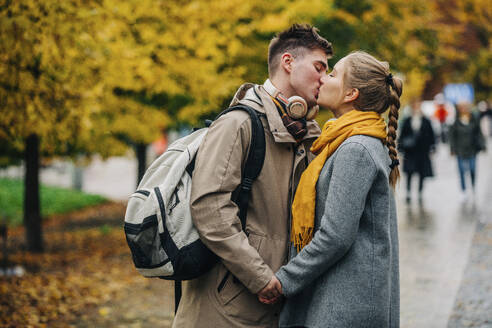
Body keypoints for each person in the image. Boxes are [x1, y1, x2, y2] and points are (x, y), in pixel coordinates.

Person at [171, 24, 333, 328]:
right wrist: (259, 277)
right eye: (319, 67)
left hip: (275, 304)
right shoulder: (238, 124)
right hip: (227, 305)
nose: (325, 79)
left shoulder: (306, 134)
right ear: (288, 62)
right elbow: (210, 209)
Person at [260, 51, 402, 328]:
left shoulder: (356, 149)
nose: (323, 79)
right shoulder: (350, 141)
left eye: (333, 74)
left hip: (346, 305)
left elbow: (336, 236)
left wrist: (283, 280)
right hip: (343, 296)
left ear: (351, 94)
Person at [399, 99, 436, 204]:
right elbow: (402, 136)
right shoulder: (407, 120)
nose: (416, 109)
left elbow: (431, 135)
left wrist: (432, 147)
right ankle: (408, 193)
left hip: (422, 152)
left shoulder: (426, 120)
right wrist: (401, 149)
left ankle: (420, 192)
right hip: (410, 152)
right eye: (414, 106)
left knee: (421, 173)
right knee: (409, 173)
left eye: (418, 106)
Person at [449, 101, 486, 201]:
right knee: (461, 170)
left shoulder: (474, 119)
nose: (464, 109)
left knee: (473, 169)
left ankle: (473, 186)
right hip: (460, 150)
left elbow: (479, 133)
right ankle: (463, 190)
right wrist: (452, 149)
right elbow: (452, 136)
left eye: (466, 107)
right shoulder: (456, 121)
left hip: (472, 149)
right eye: (462, 107)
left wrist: (483, 145)